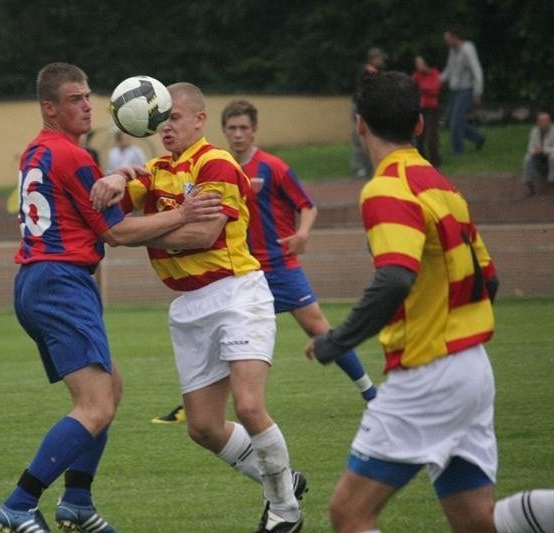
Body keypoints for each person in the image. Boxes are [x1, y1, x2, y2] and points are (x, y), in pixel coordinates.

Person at [304, 70, 554, 533]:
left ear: (360, 125)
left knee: (349, 513)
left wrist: (335, 342)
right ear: (419, 124)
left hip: (429, 372)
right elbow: (490, 279)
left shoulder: (387, 187)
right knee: (478, 523)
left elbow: (396, 276)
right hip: (472, 368)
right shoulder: (441, 184)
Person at [0, 62, 223, 533]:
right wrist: (183, 212)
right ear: (49, 107)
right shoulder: (73, 157)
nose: (87, 105)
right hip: (60, 282)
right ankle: (19, 504)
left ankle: (77, 501)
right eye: (75, 98)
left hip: (41, 281)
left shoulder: (37, 151)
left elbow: (94, 209)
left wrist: (123, 179)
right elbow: (117, 232)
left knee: (111, 390)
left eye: (87, 95)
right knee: (95, 406)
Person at [95, 82, 307, 532]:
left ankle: (285, 511)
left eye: (174, 117)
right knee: (204, 428)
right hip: (188, 306)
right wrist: (119, 178)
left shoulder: (217, 163)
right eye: (160, 119)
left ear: (198, 120)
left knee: (250, 407)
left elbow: (202, 236)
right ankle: (283, 481)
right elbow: (113, 226)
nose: (165, 126)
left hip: (236, 294)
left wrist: (145, 229)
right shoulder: (155, 169)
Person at [153, 99, 380, 424]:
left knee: (318, 328)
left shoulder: (272, 167)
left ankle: (370, 393)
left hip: (277, 266)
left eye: (244, 128)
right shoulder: (213, 165)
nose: (238, 134)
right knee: (218, 338)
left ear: (254, 131)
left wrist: (302, 233)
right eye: (232, 128)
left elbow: (307, 205)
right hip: (234, 275)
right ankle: (192, 407)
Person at [441, 27, 486, 154]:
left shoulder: (467, 50)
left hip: (466, 90)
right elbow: (449, 69)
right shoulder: (452, 51)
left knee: (456, 121)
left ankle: (458, 151)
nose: (446, 42)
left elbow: (477, 71)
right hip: (454, 90)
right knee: (450, 119)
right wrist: (437, 80)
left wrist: (478, 92)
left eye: (448, 39)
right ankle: (478, 137)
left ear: (455, 38)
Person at [351, 47, 387, 179]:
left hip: (366, 107)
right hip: (361, 108)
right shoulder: (369, 71)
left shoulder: (373, 71)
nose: (382, 60)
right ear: (373, 59)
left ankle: (367, 167)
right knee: (359, 138)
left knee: (368, 138)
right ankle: (359, 168)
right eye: (380, 58)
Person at [411, 54, 442, 167]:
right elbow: (413, 88)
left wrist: (423, 87)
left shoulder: (434, 73)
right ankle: (421, 159)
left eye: (419, 63)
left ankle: (435, 160)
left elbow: (435, 89)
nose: (418, 66)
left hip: (432, 108)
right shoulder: (416, 75)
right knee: (419, 134)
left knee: (432, 134)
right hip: (420, 108)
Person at [522, 111, 554, 196]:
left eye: (545, 121)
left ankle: (551, 182)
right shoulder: (534, 132)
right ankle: (529, 183)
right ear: (538, 122)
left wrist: (543, 150)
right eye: (541, 121)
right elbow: (530, 148)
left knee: (553, 157)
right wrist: (535, 151)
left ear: (549, 121)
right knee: (528, 158)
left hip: (550, 156)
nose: (543, 123)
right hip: (538, 157)